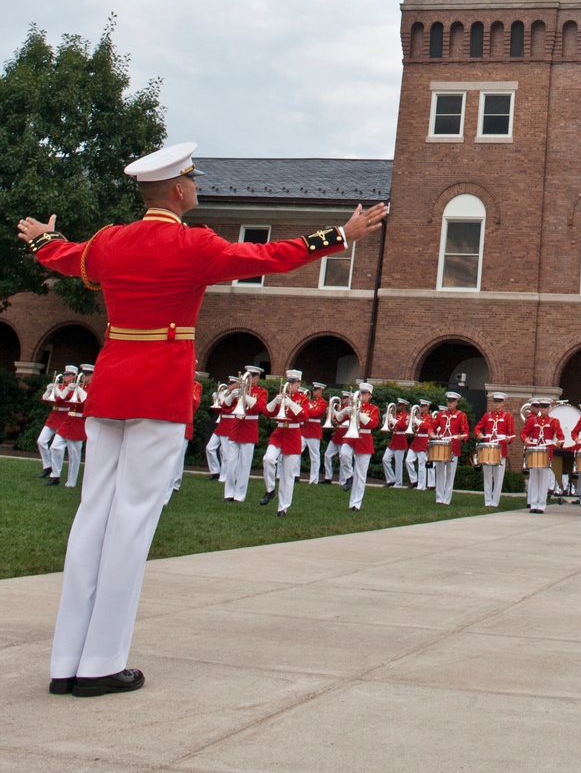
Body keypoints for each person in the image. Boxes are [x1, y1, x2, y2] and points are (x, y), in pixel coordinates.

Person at [17, 138, 387, 697]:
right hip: (159, 392)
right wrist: (341, 236)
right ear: (179, 189)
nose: (196, 185)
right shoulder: (194, 244)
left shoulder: (110, 243)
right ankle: (99, 663)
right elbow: (268, 257)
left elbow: (68, 257)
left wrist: (43, 239)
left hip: (110, 388)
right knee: (133, 521)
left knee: (93, 514)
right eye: (191, 179)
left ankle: (66, 660)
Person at [261, 371, 305, 515]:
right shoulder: (280, 395)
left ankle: (283, 507)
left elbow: (305, 415)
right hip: (279, 432)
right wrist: (275, 401)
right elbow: (267, 413)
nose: (290, 385)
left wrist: (291, 403)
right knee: (268, 459)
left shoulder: (303, 398)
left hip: (293, 433)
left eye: (293, 382)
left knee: (287, 474)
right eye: (289, 382)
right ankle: (270, 489)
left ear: (298, 383)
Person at [224, 367, 268, 503]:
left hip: (249, 426)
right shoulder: (239, 388)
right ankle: (228, 493)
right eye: (247, 376)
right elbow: (224, 406)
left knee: (244, 463)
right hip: (237, 425)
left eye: (252, 376)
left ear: (257, 378)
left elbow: (261, 407)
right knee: (231, 463)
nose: (249, 379)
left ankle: (239, 494)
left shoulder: (261, 391)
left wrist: (245, 396)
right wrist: (231, 396)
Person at [47, 367, 93, 489]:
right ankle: (55, 475)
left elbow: (87, 401)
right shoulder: (79, 386)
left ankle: (71, 481)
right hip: (68, 421)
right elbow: (60, 399)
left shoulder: (92, 388)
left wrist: (79, 390)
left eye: (87, 375)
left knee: (74, 454)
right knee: (55, 447)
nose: (84, 377)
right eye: (84, 374)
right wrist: (67, 389)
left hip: (79, 421)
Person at [163, 377, 202, 505]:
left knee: (176, 460)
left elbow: (194, 404)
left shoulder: (195, 386)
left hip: (183, 424)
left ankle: (169, 491)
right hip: (167, 422)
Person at [474, 392, 516, 507]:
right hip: (488, 447)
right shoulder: (487, 416)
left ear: (503, 403)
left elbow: (512, 434)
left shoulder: (508, 417)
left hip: (501, 448)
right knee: (487, 475)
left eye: (499, 402)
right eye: (496, 402)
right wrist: (478, 434)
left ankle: (495, 501)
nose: (497, 404)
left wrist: (508, 439)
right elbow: (478, 428)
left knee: (498, 477)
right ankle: (488, 501)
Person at [519, 398, 560, 513]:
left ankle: (541, 504)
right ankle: (533, 504)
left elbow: (560, 435)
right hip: (534, 450)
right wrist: (525, 439)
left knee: (544, 479)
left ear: (550, 408)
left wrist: (559, 441)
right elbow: (523, 432)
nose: (543, 409)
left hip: (546, 451)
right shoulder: (532, 420)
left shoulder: (554, 421)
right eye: (542, 407)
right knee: (534, 477)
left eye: (546, 407)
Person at [432, 391, 469, 505]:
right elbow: (432, 427)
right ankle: (439, 497)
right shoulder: (441, 414)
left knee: (450, 473)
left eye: (452, 401)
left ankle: (447, 498)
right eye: (448, 401)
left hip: (453, 447)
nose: (450, 403)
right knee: (439, 472)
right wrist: (432, 434)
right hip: (441, 445)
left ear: (456, 403)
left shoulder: (461, 415)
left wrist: (461, 437)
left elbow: (466, 432)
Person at [347, 382, 380, 510]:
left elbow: (372, 424)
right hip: (351, 437)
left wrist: (358, 413)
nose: (362, 395)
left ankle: (355, 503)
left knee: (360, 474)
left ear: (370, 395)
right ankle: (348, 476)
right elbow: (340, 419)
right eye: (361, 393)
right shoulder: (354, 405)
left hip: (365, 439)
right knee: (344, 454)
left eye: (365, 393)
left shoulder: (373, 409)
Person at [38, 368, 72, 479]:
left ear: (73, 376)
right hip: (53, 417)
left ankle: (56, 471)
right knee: (41, 441)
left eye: (68, 375)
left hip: (63, 417)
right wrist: (48, 390)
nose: (65, 377)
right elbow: (44, 400)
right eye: (64, 375)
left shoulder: (73, 388)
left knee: (58, 448)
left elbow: (61, 399)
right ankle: (47, 465)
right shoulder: (62, 386)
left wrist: (56, 389)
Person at [301, 382, 327, 484]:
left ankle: (314, 479)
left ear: (321, 391)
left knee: (314, 456)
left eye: (316, 390)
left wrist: (307, 411)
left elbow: (317, 413)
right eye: (313, 389)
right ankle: (294, 475)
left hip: (314, 430)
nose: (313, 391)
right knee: (296, 451)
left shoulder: (322, 402)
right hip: (305, 429)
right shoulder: (311, 401)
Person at [382, 399, 411, 487]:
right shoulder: (396, 415)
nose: (398, 407)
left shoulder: (407, 415)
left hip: (401, 438)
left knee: (398, 463)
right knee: (385, 459)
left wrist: (393, 420)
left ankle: (398, 483)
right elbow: (391, 427)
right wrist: (386, 419)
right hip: (394, 439)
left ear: (404, 406)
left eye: (400, 405)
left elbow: (403, 426)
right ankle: (391, 479)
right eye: (397, 405)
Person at [406, 398, 432, 489]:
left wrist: (416, 421)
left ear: (427, 407)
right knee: (408, 460)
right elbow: (411, 427)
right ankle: (414, 480)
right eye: (420, 406)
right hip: (416, 440)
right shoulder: (417, 415)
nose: (421, 408)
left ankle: (422, 485)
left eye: (423, 406)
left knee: (422, 465)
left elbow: (426, 427)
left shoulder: (429, 417)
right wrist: (409, 420)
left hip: (423, 440)